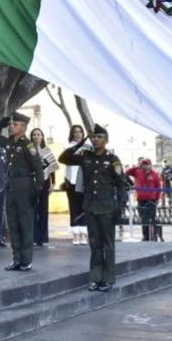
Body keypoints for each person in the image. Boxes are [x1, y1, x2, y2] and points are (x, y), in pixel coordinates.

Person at [58, 125, 125, 291]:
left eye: (100, 137)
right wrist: (80, 144)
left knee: (108, 244)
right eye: (93, 137)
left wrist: (120, 207)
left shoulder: (112, 159)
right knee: (94, 244)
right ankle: (95, 277)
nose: (96, 139)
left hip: (107, 206)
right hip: (90, 206)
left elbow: (121, 185)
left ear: (106, 140)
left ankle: (108, 278)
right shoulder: (84, 156)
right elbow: (63, 158)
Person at [3, 113, 41, 271]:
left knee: (25, 226)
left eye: (15, 124)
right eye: (11, 124)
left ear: (24, 127)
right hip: (11, 189)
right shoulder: (10, 144)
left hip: (25, 190)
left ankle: (26, 260)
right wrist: (0, 125)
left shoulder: (28, 145)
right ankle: (16, 259)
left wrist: (36, 191)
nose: (11, 126)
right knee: (13, 225)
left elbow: (39, 170)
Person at [58, 125, 89, 245]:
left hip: (84, 181)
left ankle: (84, 233)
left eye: (80, 132)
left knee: (84, 207)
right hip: (71, 180)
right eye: (75, 132)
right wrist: (65, 180)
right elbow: (66, 165)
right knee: (73, 207)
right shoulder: (68, 147)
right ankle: (76, 233)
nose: (78, 134)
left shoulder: (88, 147)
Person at [30, 128, 57, 247]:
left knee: (43, 209)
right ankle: (34, 236)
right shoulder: (29, 150)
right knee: (33, 210)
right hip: (32, 183)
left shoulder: (47, 151)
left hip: (45, 182)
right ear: (31, 137)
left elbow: (52, 168)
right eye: (34, 135)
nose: (36, 137)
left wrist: (53, 183)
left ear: (42, 136)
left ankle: (43, 237)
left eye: (38, 134)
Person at [127, 158, 162, 241]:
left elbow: (158, 187)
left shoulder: (154, 174)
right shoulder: (137, 172)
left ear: (150, 165)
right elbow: (127, 172)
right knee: (143, 218)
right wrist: (137, 166)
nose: (145, 166)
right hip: (141, 199)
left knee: (152, 218)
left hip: (151, 199)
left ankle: (154, 235)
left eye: (147, 164)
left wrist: (157, 198)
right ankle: (145, 236)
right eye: (143, 164)